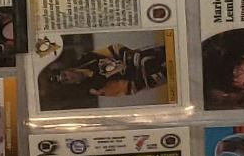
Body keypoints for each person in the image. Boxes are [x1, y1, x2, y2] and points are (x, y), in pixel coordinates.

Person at [37, 37, 170, 109]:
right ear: (70, 84)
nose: (69, 77)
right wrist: (139, 71)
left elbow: (115, 48)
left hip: (138, 58)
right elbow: (129, 88)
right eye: (66, 81)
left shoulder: (87, 58)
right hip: (143, 77)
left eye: (65, 75)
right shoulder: (95, 88)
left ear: (67, 69)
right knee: (157, 70)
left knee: (151, 54)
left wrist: (128, 55)